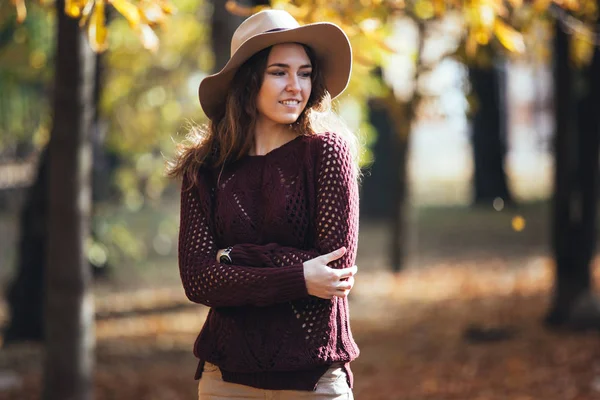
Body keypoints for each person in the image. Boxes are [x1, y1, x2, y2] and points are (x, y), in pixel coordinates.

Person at [168, 9, 361, 399]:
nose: (295, 86)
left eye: (304, 73)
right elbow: (198, 279)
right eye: (279, 72)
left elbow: (335, 270)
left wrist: (232, 257)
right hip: (225, 378)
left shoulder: (327, 153)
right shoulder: (206, 168)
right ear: (248, 79)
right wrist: (300, 276)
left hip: (314, 376)